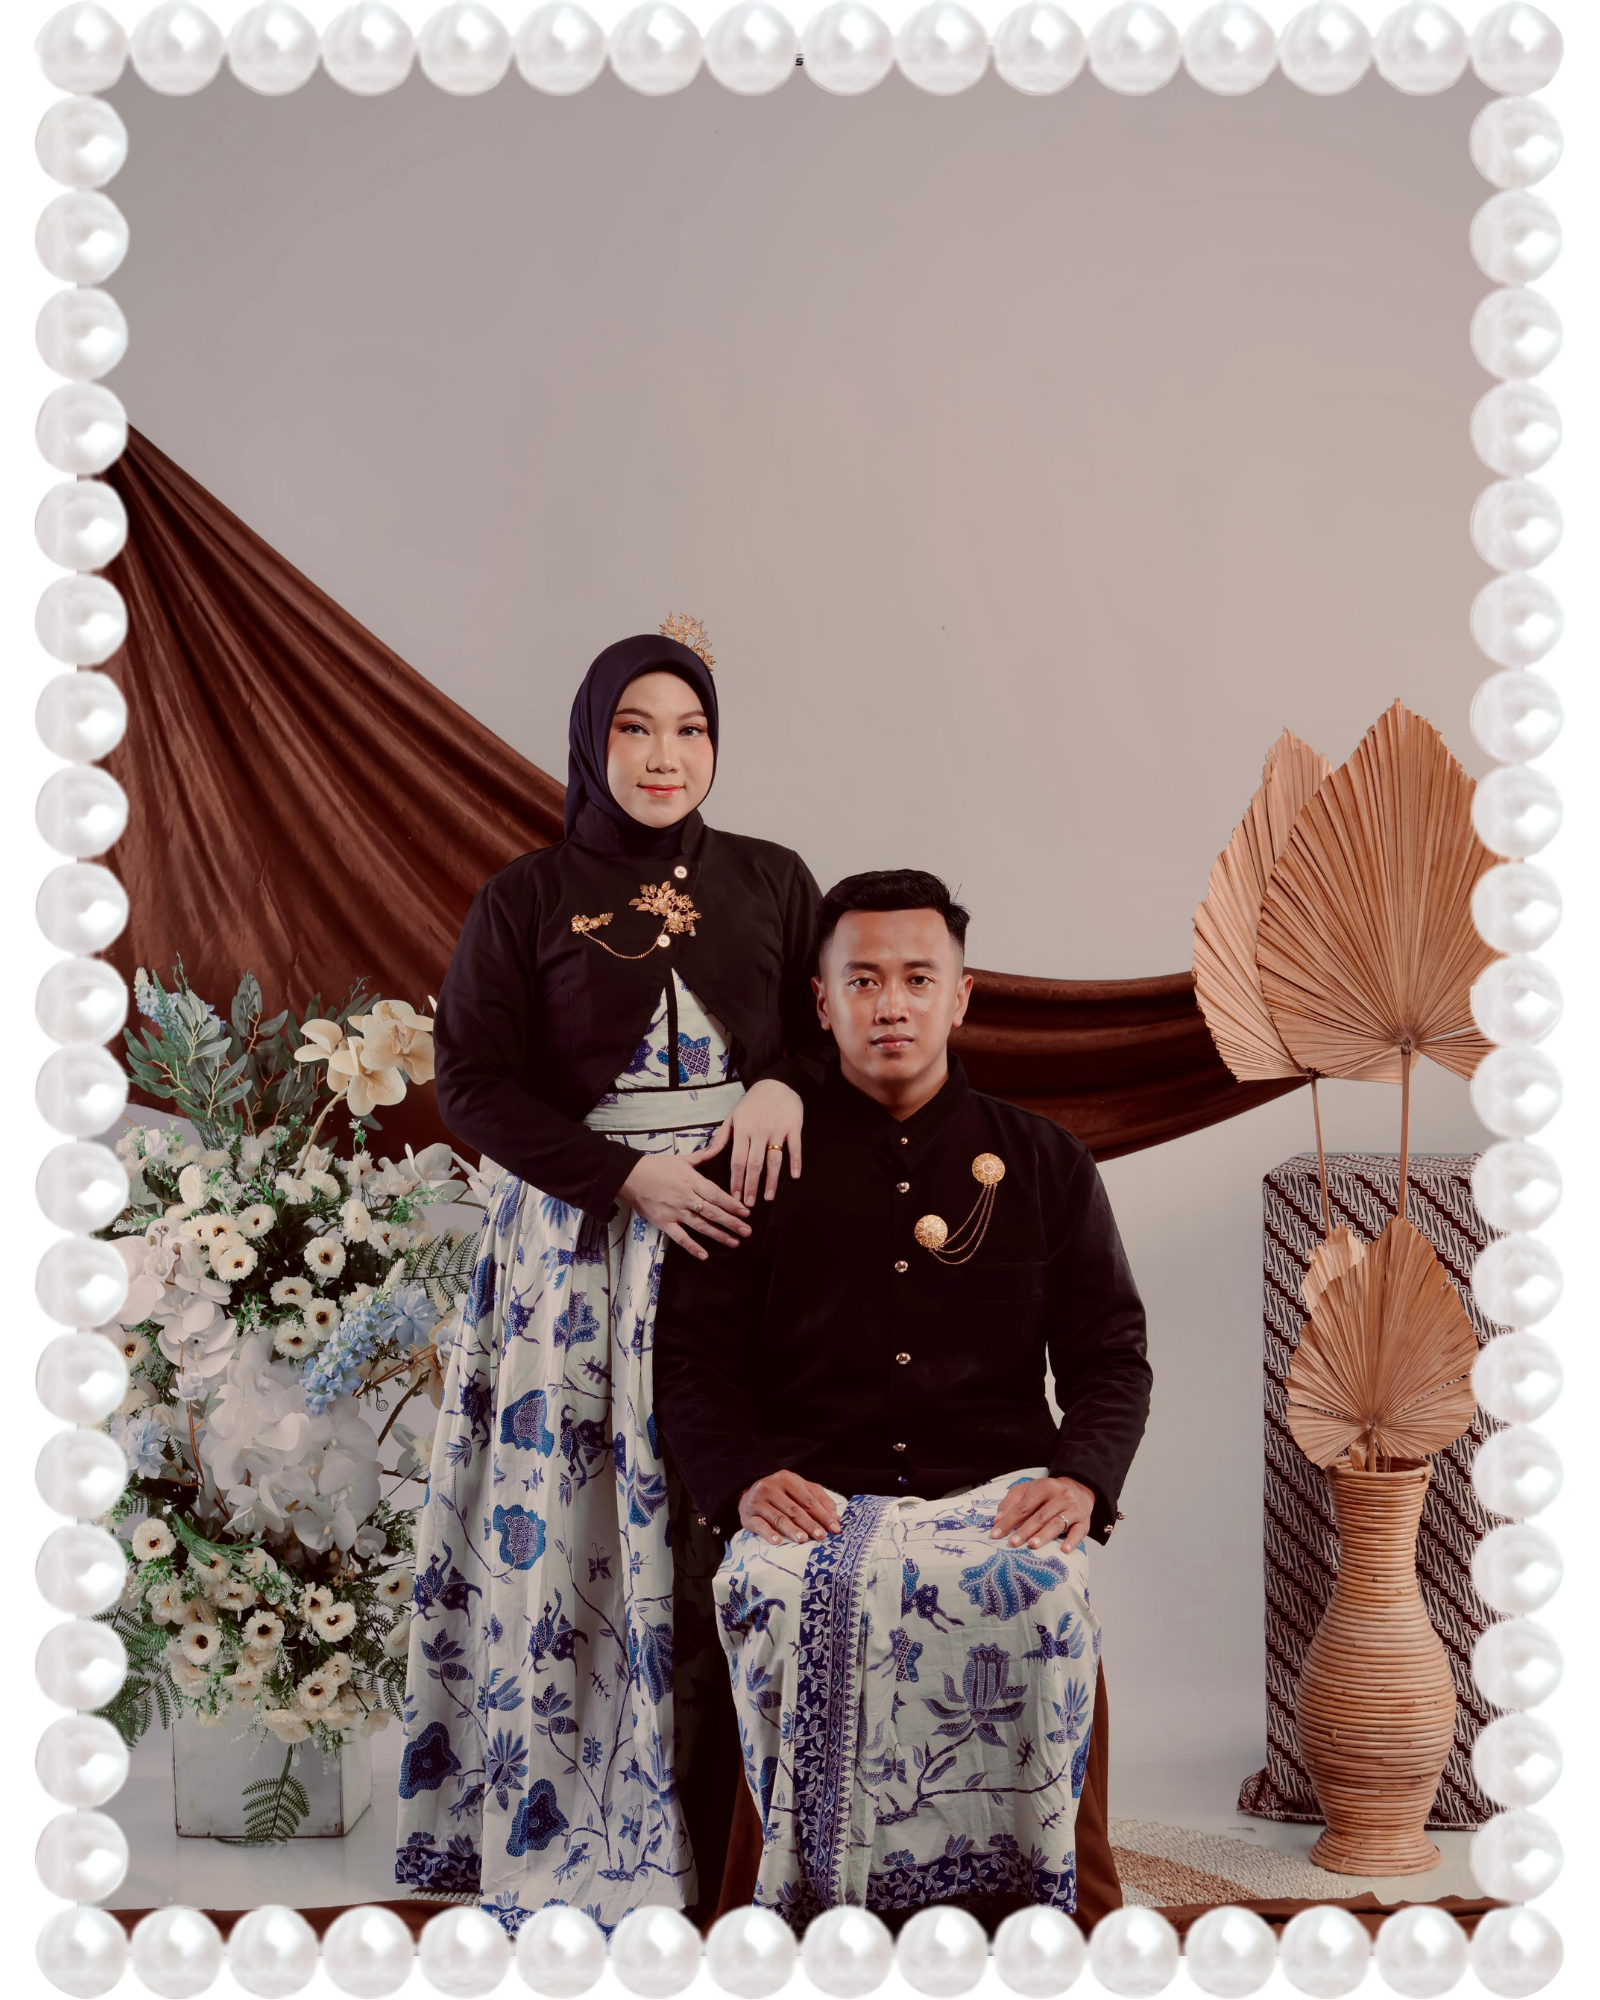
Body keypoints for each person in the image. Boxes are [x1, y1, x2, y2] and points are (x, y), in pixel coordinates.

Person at [395, 631, 827, 1928]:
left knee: (730, 1513)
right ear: (593, 741)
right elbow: (470, 1084)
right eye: (635, 727)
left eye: (689, 729)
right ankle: (590, 1832)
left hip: (739, 1241)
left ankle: (738, 1834)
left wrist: (779, 1082)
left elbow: (824, 1029)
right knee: (585, 1529)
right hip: (578, 1255)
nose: (663, 755)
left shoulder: (773, 878)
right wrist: (626, 1176)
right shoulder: (526, 897)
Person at [654, 869, 1151, 1926]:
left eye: (919, 979)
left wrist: (1081, 1478)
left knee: (1045, 1594)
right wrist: (740, 1482)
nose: (892, 1004)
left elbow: (1112, 1352)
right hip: (810, 1495)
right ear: (821, 1000)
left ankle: (1047, 1905)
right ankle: (790, 1910)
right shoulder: (752, 1165)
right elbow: (691, 1361)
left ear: (960, 996)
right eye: (864, 980)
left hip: (996, 1490)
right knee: (777, 1594)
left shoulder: (1044, 1160)